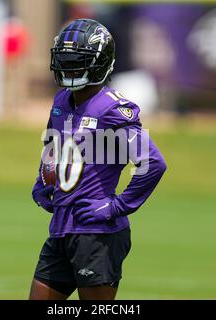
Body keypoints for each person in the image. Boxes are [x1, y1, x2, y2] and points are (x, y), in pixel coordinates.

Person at [29, 18, 167, 300]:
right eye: (64, 60)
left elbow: (152, 162)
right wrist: (42, 182)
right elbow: (53, 147)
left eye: (76, 62)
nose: (68, 68)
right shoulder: (61, 101)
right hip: (61, 226)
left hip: (96, 234)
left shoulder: (113, 109)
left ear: (99, 63)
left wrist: (116, 206)